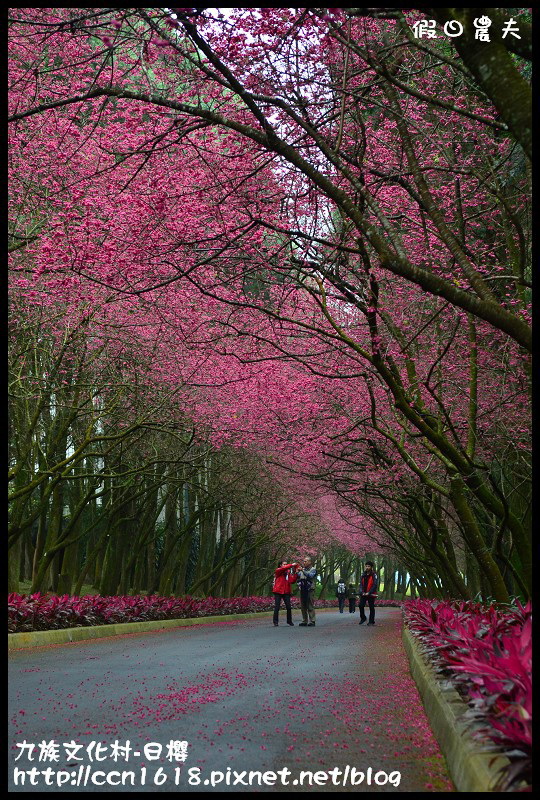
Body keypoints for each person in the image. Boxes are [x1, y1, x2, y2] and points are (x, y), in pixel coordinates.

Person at [272, 561, 298, 626]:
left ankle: (289, 621)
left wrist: (295, 573)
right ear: (280, 565)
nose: (285, 565)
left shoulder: (288, 573)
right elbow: (283, 568)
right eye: (284, 564)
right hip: (278, 591)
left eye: (286, 564)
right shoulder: (278, 571)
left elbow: (292, 581)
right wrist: (291, 565)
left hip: (286, 591)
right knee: (277, 607)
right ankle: (275, 622)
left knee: (289, 607)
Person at [296, 558, 318, 626]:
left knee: (310, 604)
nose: (304, 562)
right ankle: (304, 620)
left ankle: (312, 621)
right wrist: (297, 572)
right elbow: (299, 576)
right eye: (303, 561)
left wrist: (302, 570)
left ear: (310, 562)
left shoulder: (313, 569)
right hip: (303, 589)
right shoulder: (303, 570)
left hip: (310, 589)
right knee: (303, 605)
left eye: (305, 561)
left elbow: (310, 575)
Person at [358, 561, 379, 625]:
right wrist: (361, 591)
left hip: (371, 594)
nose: (367, 567)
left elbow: (375, 585)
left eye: (368, 566)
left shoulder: (374, 575)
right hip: (363, 594)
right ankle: (363, 618)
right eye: (366, 566)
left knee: (371, 607)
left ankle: (371, 621)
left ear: (371, 567)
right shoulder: (363, 575)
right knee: (361, 605)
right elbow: (361, 584)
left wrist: (369, 592)